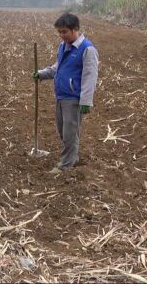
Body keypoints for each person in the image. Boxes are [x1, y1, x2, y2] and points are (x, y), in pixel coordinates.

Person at [33, 13, 99, 174]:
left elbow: (90, 77)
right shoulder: (64, 46)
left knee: (70, 132)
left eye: (64, 32)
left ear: (75, 29)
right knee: (63, 130)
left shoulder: (87, 49)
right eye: (59, 32)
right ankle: (72, 157)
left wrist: (86, 101)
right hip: (61, 96)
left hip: (74, 98)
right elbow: (57, 67)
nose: (61, 36)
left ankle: (66, 165)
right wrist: (42, 73)